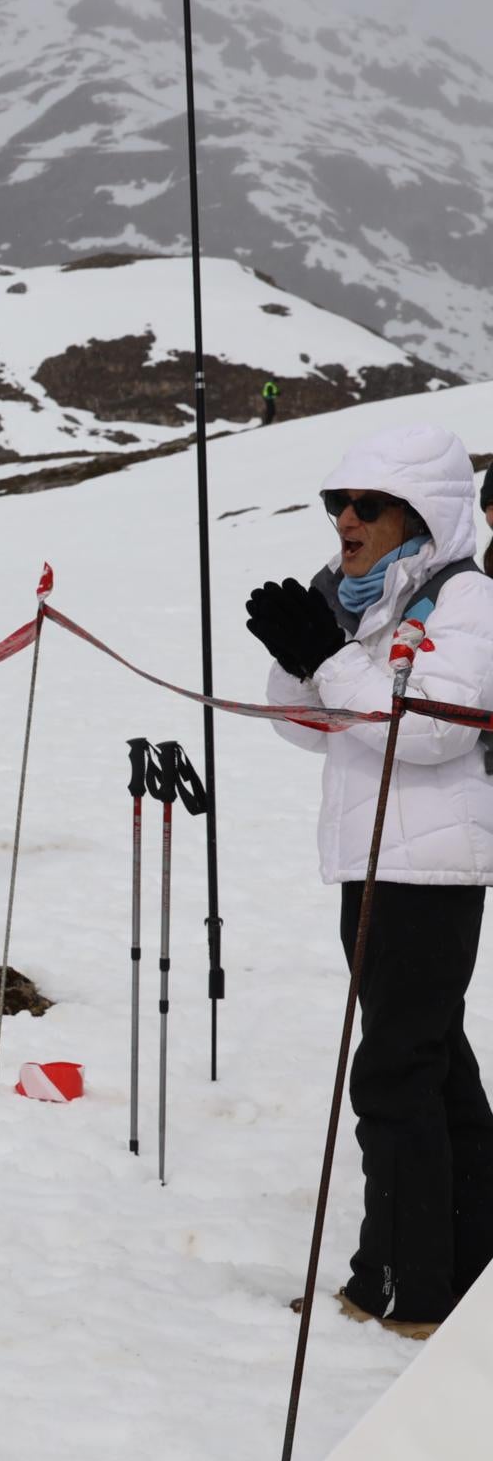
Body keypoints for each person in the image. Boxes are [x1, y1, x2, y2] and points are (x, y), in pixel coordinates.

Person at [245, 422, 493, 1339]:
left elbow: (438, 729)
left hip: (432, 864)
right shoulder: (363, 600)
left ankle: (406, 1289)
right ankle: (471, 1265)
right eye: (335, 503)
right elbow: (298, 722)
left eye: (367, 506)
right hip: (369, 859)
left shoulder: (464, 602)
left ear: (419, 516)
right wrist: (304, 654)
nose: (344, 519)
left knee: (394, 1073)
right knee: (436, 1068)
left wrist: (335, 665)